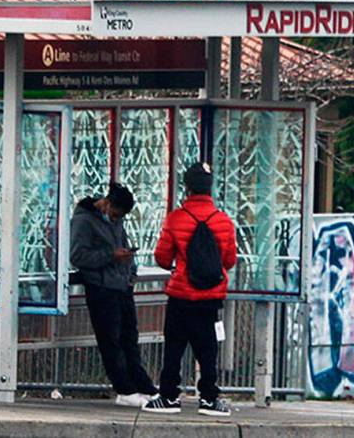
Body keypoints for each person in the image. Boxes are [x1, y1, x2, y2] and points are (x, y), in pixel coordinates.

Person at [143, 162, 237, 417]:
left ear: (188, 187)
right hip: (211, 297)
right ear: (210, 188)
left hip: (181, 295)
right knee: (208, 348)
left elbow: (162, 258)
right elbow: (229, 260)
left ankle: (169, 396)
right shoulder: (223, 221)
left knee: (174, 347)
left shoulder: (176, 218)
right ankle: (209, 398)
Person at [70, 182, 159, 408]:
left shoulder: (117, 222)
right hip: (101, 288)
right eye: (115, 214)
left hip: (122, 286)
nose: (116, 219)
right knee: (111, 340)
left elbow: (123, 245)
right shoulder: (83, 221)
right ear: (107, 203)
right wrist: (111, 255)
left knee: (129, 338)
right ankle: (124, 388)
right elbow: (77, 256)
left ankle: (142, 385)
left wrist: (130, 273)